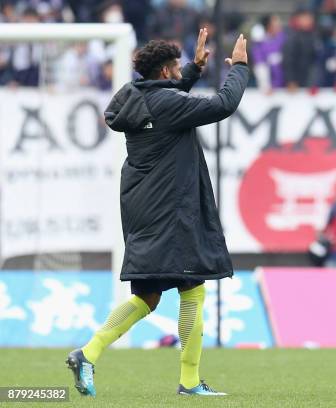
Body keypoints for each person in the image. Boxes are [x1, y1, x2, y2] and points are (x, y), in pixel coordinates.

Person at [65, 28, 249, 397]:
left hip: (142, 207)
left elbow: (166, 101)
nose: (180, 71)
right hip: (170, 208)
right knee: (193, 287)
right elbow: (224, 104)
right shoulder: (166, 104)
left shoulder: (133, 96)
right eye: (177, 67)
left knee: (148, 296)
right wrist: (240, 67)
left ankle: (88, 353)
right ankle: (190, 382)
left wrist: (194, 70)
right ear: (165, 72)